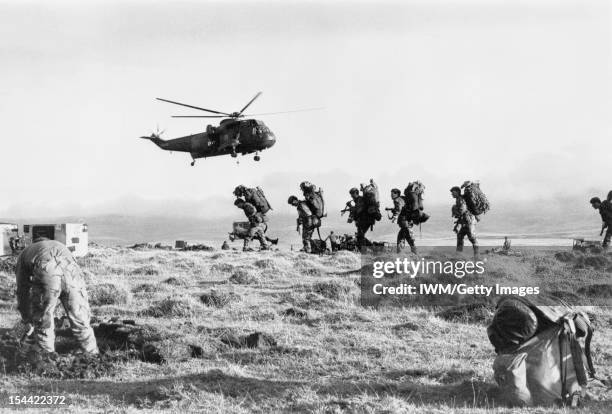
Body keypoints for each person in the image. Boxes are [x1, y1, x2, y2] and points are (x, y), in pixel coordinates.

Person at [15, 238, 99, 354]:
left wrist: (27, 318)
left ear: (34, 242)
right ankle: (90, 352)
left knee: (43, 316)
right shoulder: (60, 244)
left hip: (46, 268)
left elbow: (22, 289)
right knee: (79, 313)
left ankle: (46, 356)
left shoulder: (26, 252)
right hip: (72, 270)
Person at [451, 186, 479, 258]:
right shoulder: (458, 199)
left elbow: (462, 210)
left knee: (472, 238)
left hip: (469, 221)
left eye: (453, 192)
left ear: (457, 192)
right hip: (465, 221)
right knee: (460, 236)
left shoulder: (460, 199)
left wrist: (454, 210)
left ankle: (477, 256)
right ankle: (459, 255)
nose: (452, 194)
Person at [390, 188, 418, 254]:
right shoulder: (402, 198)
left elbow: (399, 209)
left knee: (406, 240)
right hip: (408, 222)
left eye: (392, 194)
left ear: (396, 194)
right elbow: (403, 207)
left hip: (405, 223)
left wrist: (394, 217)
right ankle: (412, 254)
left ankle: (404, 255)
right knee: (407, 240)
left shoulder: (396, 200)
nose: (391, 195)